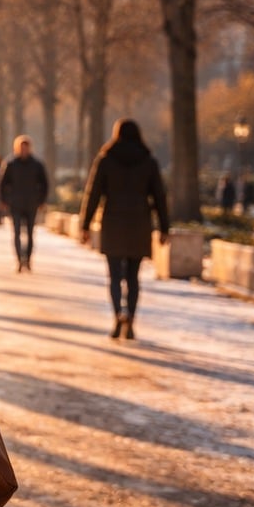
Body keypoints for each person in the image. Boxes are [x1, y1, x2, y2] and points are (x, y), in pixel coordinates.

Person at [79, 118, 169, 340]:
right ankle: (131, 319)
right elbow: (159, 197)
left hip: (113, 222)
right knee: (133, 277)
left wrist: (86, 224)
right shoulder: (148, 161)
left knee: (114, 276)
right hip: (139, 224)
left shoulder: (106, 160)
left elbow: (93, 193)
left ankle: (118, 314)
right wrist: (165, 227)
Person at [0, 135, 49, 272]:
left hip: (32, 204)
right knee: (16, 233)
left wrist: (42, 201)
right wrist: (3, 200)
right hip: (15, 204)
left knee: (31, 233)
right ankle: (19, 259)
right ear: (17, 148)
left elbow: (44, 184)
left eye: (26, 147)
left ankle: (28, 259)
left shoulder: (37, 164)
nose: (24, 150)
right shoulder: (10, 163)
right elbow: (2, 183)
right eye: (21, 147)